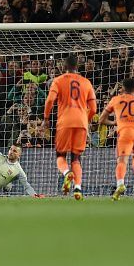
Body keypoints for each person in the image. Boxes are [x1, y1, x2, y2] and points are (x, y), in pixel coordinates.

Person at [44, 55, 96, 200]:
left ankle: (67, 173)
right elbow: (94, 108)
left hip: (65, 122)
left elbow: (49, 100)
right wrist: (87, 119)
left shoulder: (58, 81)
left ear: (63, 66)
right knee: (76, 158)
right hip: (81, 122)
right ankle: (78, 188)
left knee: (61, 155)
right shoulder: (86, 82)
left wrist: (46, 118)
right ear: (77, 66)